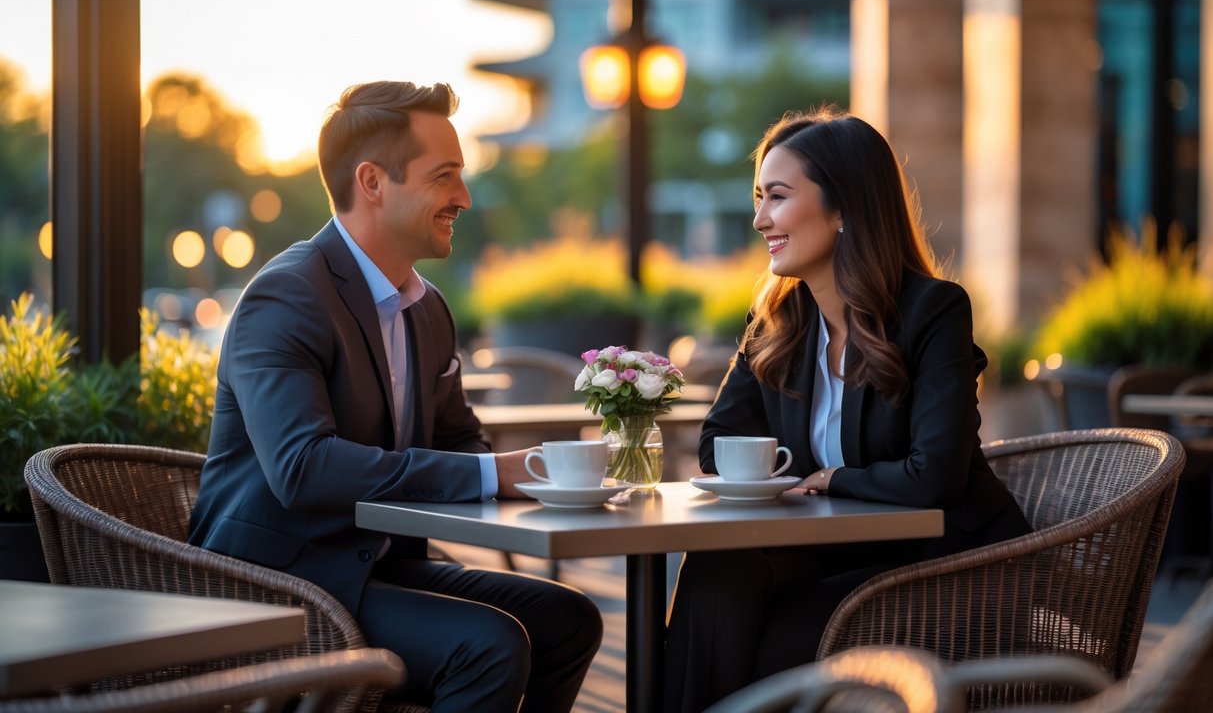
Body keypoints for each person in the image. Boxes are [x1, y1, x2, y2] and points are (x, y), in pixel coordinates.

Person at [188, 81, 602, 713]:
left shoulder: (427, 308)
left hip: (372, 566)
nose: (463, 198)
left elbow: (460, 438)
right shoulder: (286, 296)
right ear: (373, 182)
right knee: (488, 645)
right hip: (276, 582)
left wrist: (530, 482)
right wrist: (492, 474)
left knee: (568, 617)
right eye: (445, 177)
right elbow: (304, 470)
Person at [662, 107, 1031, 712]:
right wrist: (779, 484)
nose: (759, 220)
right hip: (839, 554)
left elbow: (934, 475)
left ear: (843, 210)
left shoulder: (933, 311)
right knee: (716, 573)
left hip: (948, 566)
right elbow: (718, 441)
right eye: (759, 199)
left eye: (776, 198)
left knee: (776, 633)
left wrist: (833, 479)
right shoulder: (779, 324)